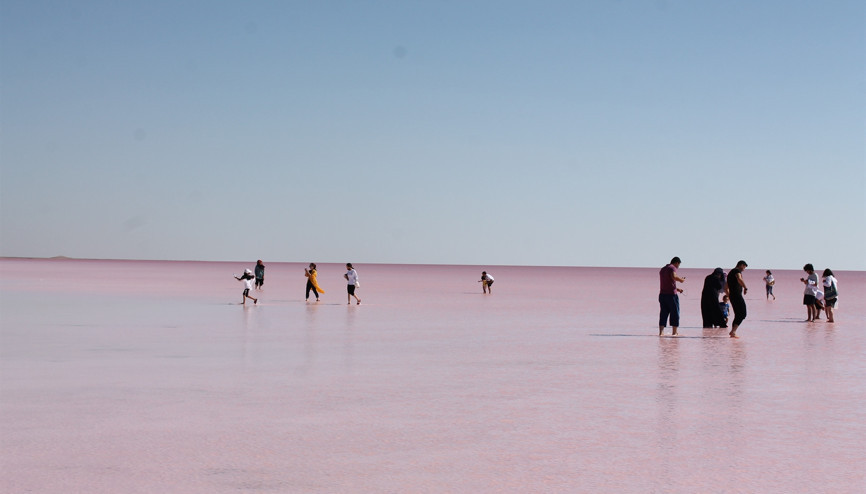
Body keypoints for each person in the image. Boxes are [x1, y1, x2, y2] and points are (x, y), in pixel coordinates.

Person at [658, 257, 685, 336]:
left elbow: (667, 283)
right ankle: (674, 332)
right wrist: (681, 280)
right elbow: (674, 276)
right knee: (675, 313)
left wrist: (677, 289)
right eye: (678, 265)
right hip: (671, 296)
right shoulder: (672, 267)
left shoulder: (662, 269)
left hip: (662, 295)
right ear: (676, 263)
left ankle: (661, 332)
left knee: (663, 313)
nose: (678, 267)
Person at [726, 260, 748, 338]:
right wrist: (745, 287)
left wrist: (730, 295)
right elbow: (739, 279)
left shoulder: (730, 273)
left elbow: (726, 287)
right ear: (741, 265)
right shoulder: (736, 271)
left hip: (733, 296)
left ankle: (733, 332)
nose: (744, 269)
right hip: (736, 296)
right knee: (743, 313)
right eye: (744, 267)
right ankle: (733, 331)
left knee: (738, 314)